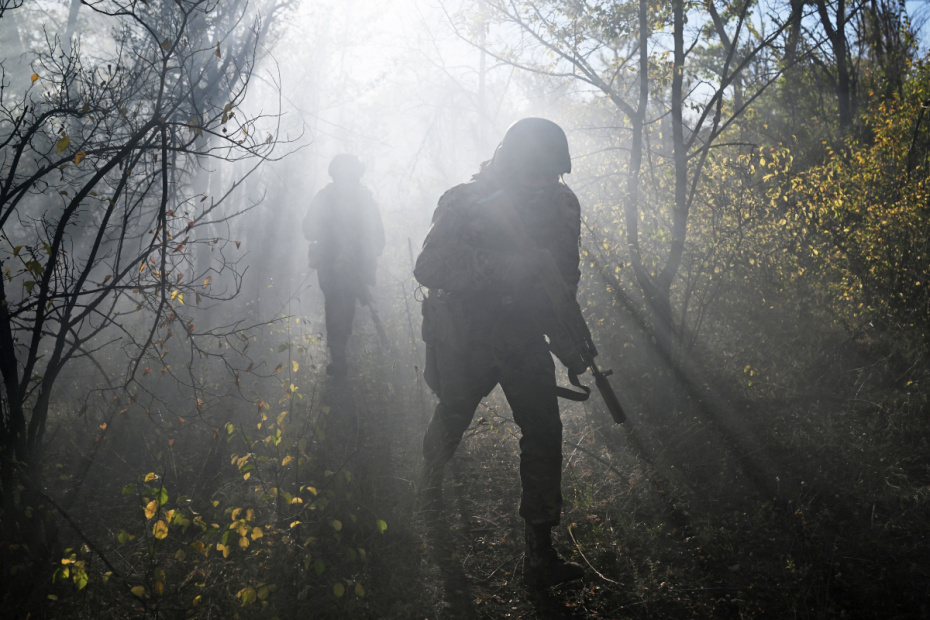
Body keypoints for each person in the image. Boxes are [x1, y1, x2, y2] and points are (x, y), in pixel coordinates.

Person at [414, 118, 588, 588]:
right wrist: (508, 268)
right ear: (510, 165)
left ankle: (540, 552)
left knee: (545, 433)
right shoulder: (464, 200)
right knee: (452, 415)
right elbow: (429, 266)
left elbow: (562, 282)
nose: (543, 183)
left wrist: (570, 342)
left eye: (552, 174)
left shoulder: (562, 205)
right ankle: (426, 493)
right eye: (534, 173)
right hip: (467, 335)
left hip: (523, 335)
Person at [303, 154, 385, 377]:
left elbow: (377, 239)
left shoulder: (327, 197)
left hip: (342, 266)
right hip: (337, 266)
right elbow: (310, 230)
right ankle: (340, 356)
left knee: (339, 307)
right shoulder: (361, 199)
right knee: (341, 307)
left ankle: (340, 356)